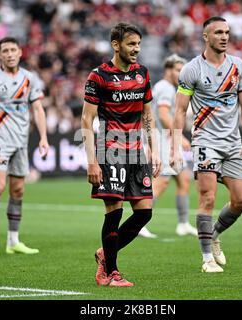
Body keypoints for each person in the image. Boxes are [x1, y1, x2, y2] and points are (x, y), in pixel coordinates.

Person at [171, 16, 242, 273]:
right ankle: (207, 258)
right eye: (218, 32)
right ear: (205, 37)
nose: (224, 36)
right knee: (207, 197)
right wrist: (175, 146)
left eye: (227, 32)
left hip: (232, 143)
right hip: (205, 141)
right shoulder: (191, 70)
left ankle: (215, 234)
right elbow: (179, 110)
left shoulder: (238, 66)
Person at [81, 22, 160, 287]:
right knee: (114, 211)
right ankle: (111, 272)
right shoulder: (99, 76)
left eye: (138, 44)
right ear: (116, 45)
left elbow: (148, 115)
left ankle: (105, 253)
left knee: (144, 213)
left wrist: (154, 148)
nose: (136, 49)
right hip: (110, 149)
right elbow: (86, 120)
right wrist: (92, 161)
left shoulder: (143, 73)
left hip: (137, 151)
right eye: (131, 44)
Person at [0, 37, 49, 256]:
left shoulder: (29, 78)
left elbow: (38, 109)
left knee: (18, 190)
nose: (9, 53)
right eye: (5, 50)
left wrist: (43, 137)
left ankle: (13, 241)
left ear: (20, 52)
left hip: (21, 143)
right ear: (0, 55)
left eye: (13, 49)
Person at [139, 54, 198, 238]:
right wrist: (178, 137)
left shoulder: (168, 87)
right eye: (178, 70)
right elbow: (163, 115)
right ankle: (139, 224)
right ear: (168, 70)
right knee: (161, 182)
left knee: (184, 178)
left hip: (166, 139)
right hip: (163, 139)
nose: (181, 74)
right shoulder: (165, 88)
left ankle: (182, 224)